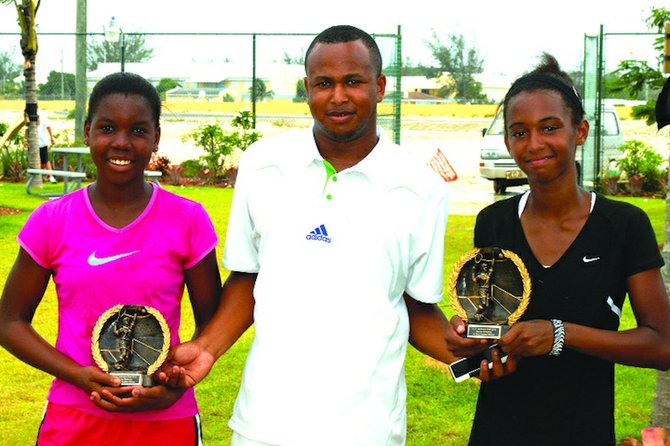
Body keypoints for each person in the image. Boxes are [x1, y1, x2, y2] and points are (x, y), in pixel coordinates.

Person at [159, 25, 453, 446]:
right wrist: (206, 349)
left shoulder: (420, 188)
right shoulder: (263, 165)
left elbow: (417, 307)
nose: (338, 97)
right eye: (323, 84)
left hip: (369, 429)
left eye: (353, 81)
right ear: (306, 88)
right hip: (265, 424)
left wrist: (478, 351)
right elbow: (248, 278)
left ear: (380, 86)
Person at [448, 53, 670, 445]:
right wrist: (475, 342)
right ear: (507, 141)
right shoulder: (494, 222)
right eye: (519, 132)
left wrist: (560, 334)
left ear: (580, 131)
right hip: (498, 429)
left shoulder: (623, 225)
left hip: (582, 429)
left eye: (549, 127)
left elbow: (662, 345)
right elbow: (491, 324)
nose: (534, 144)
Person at [0, 72, 222, 445]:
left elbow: (212, 327)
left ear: (156, 138)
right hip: (75, 416)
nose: (121, 143)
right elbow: (8, 321)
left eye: (138, 130)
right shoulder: (52, 220)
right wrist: (78, 375)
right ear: (87, 132)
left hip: (166, 418)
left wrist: (173, 385)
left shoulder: (188, 219)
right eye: (107, 128)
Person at [24, 110, 57, 183]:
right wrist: (25, 140)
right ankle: (40, 176)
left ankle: (51, 176)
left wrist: (51, 137)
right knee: (36, 160)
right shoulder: (28, 116)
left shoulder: (42, 115)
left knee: (45, 160)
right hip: (33, 143)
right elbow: (26, 129)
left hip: (42, 143)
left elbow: (48, 127)